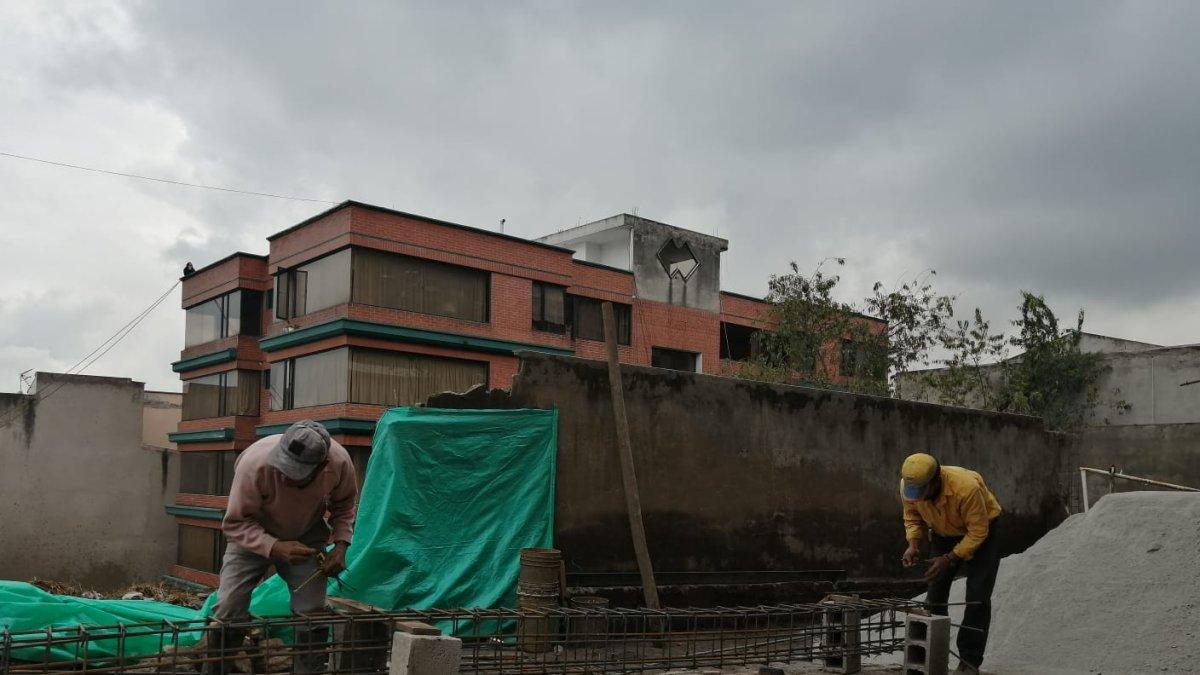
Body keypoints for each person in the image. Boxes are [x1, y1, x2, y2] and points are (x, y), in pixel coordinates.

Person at [206, 420, 359, 674]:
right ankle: (218, 667)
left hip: (307, 535)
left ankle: (307, 670)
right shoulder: (254, 464)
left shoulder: (340, 462)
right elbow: (235, 523)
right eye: (284, 467)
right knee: (228, 607)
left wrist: (341, 546)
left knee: (312, 611)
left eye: (295, 473)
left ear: (321, 466)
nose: (285, 476)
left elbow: (344, 507)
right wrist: (274, 546)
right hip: (252, 532)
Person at [900, 453, 1002, 675]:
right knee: (935, 593)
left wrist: (949, 559)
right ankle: (930, 657)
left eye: (922, 493)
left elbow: (978, 531)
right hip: (942, 532)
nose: (918, 498)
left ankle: (969, 662)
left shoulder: (966, 488)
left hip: (980, 531)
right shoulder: (909, 486)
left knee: (977, 597)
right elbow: (912, 516)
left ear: (935, 481)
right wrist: (914, 544)